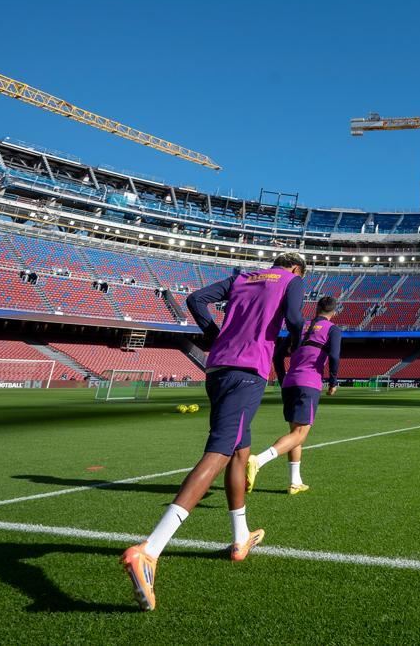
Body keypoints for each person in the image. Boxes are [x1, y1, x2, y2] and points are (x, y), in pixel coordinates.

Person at [122, 253, 306, 611]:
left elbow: (195, 299)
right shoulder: (292, 281)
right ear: (297, 269)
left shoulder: (243, 277)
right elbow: (297, 319)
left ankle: (240, 538)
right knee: (220, 452)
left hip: (218, 367)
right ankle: (150, 549)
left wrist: (212, 333)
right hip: (248, 371)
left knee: (240, 450)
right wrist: (295, 344)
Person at [249, 295, 340, 496]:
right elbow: (333, 356)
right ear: (333, 313)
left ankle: (294, 482)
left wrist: (282, 378)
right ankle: (258, 460)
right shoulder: (332, 329)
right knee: (299, 434)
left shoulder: (301, 327)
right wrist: (333, 382)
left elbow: (278, 355)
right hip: (309, 383)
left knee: (294, 434)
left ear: (316, 309)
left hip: (290, 383)